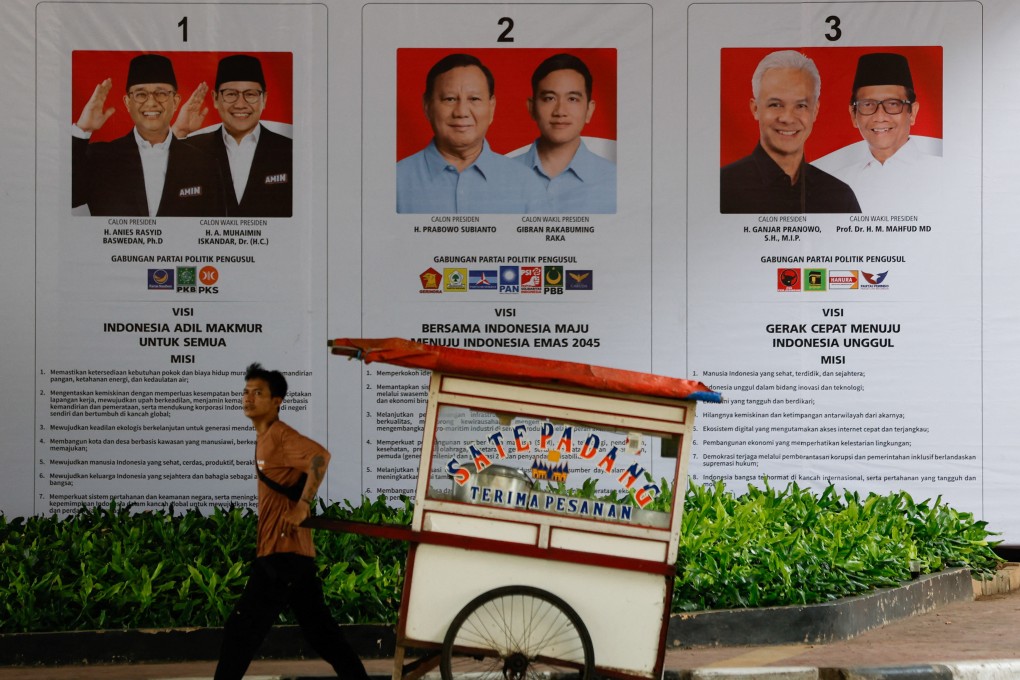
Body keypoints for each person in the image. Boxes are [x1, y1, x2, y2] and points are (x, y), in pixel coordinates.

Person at [214, 363, 368, 680]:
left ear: (277, 401)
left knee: (240, 632)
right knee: (322, 634)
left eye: (258, 393)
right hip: (293, 556)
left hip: (280, 555)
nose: (248, 398)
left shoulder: (280, 437)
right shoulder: (265, 438)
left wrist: (303, 505)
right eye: (246, 391)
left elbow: (320, 456)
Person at [72, 53, 226, 217]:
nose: (151, 102)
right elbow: (68, 197)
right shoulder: (98, 158)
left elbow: (215, 226)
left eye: (161, 93)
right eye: (140, 94)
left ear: (175, 102)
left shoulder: (204, 163)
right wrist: (83, 128)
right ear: (127, 103)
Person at [396, 53, 550, 214]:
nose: (461, 112)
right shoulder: (394, 182)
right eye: (449, 99)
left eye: (474, 99)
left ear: (491, 107)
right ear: (427, 106)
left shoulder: (526, 183)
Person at [720, 50, 860, 214]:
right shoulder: (722, 189)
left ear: (815, 111)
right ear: (755, 108)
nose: (787, 118)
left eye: (800, 106)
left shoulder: (839, 197)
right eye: (775, 105)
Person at [812, 53, 941, 211]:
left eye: (893, 104)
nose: (880, 117)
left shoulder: (943, 174)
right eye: (868, 105)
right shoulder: (837, 184)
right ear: (853, 114)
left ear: (912, 112)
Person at [173, 54, 293, 217]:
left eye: (250, 94)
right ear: (215, 99)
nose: (240, 104)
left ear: (264, 99)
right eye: (231, 94)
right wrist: (178, 133)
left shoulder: (290, 151)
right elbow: (159, 199)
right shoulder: (191, 148)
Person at [516, 53, 616, 213]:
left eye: (572, 99)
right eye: (549, 98)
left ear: (589, 110)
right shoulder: (500, 176)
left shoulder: (615, 180)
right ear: (532, 108)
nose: (560, 111)